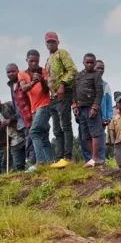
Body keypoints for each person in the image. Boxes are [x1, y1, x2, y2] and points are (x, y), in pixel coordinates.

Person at [44, 32, 77, 168]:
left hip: (63, 94)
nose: (51, 44)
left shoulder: (61, 53)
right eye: (48, 42)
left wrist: (62, 85)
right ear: (46, 44)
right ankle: (59, 157)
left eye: (53, 41)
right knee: (56, 129)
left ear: (58, 42)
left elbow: (72, 70)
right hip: (52, 97)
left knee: (65, 125)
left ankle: (67, 157)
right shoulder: (48, 59)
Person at [19, 49, 54, 172]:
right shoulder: (22, 74)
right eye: (31, 61)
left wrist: (42, 80)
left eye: (36, 61)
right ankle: (51, 162)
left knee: (33, 132)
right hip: (34, 108)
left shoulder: (43, 71)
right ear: (27, 60)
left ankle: (40, 162)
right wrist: (33, 82)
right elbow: (23, 88)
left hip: (44, 106)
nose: (34, 63)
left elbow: (46, 90)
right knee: (43, 136)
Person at [72, 53, 105, 167]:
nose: (90, 65)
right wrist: (75, 105)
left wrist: (95, 108)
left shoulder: (96, 75)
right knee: (86, 134)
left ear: (95, 63)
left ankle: (96, 158)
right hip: (80, 108)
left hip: (91, 107)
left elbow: (99, 93)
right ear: (83, 63)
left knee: (95, 133)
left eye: (92, 63)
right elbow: (74, 91)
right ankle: (92, 159)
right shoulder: (78, 75)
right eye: (88, 62)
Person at [0, 94, 26, 172]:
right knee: (19, 165)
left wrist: (10, 120)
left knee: (32, 158)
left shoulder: (9, 104)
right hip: (12, 142)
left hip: (24, 136)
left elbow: (21, 112)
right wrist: (2, 126)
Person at [6, 63, 34, 166]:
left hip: (30, 114)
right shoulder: (11, 85)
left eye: (13, 71)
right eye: (8, 72)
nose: (11, 73)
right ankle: (32, 163)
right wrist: (18, 118)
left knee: (31, 138)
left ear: (18, 70)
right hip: (21, 117)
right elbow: (16, 103)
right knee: (28, 139)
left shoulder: (23, 81)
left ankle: (33, 163)